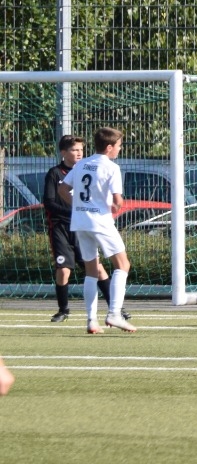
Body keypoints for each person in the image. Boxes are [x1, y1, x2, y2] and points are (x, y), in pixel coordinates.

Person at [68, 127, 136, 334]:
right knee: (122, 264)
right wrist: (115, 207)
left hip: (80, 221)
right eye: (119, 146)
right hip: (100, 222)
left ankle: (91, 321)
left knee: (92, 270)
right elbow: (117, 201)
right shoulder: (111, 167)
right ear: (109, 147)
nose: (120, 149)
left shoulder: (82, 164)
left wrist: (78, 206)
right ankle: (114, 313)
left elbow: (63, 188)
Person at [43, 134, 113, 323]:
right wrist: (73, 211)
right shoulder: (54, 174)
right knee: (63, 270)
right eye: (74, 150)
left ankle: (116, 308)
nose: (79, 153)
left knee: (97, 268)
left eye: (81, 149)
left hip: (83, 227)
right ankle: (63, 310)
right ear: (63, 152)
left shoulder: (85, 170)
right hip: (61, 228)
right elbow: (49, 202)